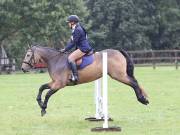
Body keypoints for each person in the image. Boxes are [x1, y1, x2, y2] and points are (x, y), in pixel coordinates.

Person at [60, 15, 93, 83]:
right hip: (81, 47)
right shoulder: (77, 28)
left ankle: (75, 77)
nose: (68, 24)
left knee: (70, 58)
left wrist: (65, 49)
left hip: (83, 48)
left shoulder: (77, 30)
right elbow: (73, 41)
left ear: (72, 22)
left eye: (68, 22)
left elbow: (73, 43)